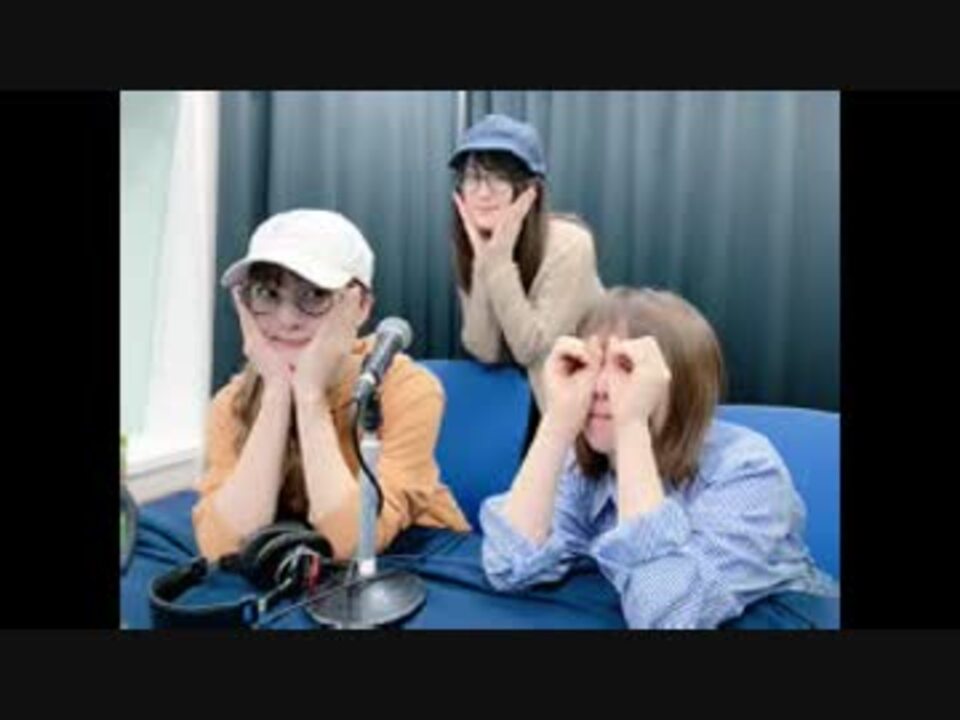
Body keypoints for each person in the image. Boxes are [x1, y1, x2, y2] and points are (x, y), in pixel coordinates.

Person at [479, 286, 839, 629]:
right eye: (589, 364)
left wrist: (631, 425)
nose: (600, 388)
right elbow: (508, 565)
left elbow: (665, 615)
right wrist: (557, 422)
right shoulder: (587, 461)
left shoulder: (748, 469)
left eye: (626, 367)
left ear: (682, 384)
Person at [192, 209, 470, 563]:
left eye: (315, 295)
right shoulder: (230, 403)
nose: (287, 320)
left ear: (361, 306)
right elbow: (223, 547)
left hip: (420, 561)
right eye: (267, 294)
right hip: (308, 568)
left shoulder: (407, 388)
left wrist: (309, 396)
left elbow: (353, 543)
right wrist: (277, 393)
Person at [449, 113, 604, 422]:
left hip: (584, 409)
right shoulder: (475, 243)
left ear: (529, 191)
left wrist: (498, 262)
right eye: (473, 177)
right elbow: (483, 349)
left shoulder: (569, 244)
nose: (483, 192)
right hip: (518, 406)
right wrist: (482, 263)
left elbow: (531, 349)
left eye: (498, 178)